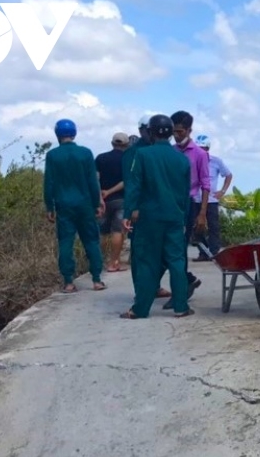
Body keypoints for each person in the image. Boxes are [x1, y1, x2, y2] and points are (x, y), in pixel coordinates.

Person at [120, 114, 193, 319]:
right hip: (174, 217)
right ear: (170, 133)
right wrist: (184, 219)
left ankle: (141, 309)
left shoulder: (142, 155)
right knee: (177, 261)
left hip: (149, 218)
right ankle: (181, 307)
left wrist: (128, 212)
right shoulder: (182, 159)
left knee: (146, 262)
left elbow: (134, 186)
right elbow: (185, 193)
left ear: (151, 132)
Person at [43, 118, 106, 293]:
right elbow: (92, 181)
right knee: (91, 241)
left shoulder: (53, 155)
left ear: (57, 135)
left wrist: (49, 207)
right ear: (74, 133)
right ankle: (97, 280)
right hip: (85, 204)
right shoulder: (85, 153)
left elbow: (49, 183)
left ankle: (69, 282)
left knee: (65, 242)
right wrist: (97, 202)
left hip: (63, 205)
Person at [168, 111, 208, 309]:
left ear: (189, 130)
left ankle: (180, 291)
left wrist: (202, 214)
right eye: (174, 131)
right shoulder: (171, 151)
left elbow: (205, 184)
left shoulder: (199, 154)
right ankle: (186, 280)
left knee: (178, 249)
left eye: (180, 131)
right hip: (171, 204)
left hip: (189, 204)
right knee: (170, 249)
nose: (177, 135)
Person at [194, 133, 232, 259]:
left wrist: (223, 190)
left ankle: (215, 252)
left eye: (203, 148)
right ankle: (203, 252)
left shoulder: (216, 161)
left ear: (207, 148)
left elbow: (228, 175)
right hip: (195, 199)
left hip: (211, 200)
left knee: (213, 227)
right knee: (197, 227)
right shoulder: (191, 161)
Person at [96, 132, 129, 273]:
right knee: (118, 231)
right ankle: (114, 262)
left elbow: (95, 178)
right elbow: (126, 181)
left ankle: (100, 262)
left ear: (112, 143)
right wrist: (110, 191)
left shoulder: (101, 158)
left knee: (102, 232)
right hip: (120, 200)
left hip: (102, 201)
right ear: (126, 145)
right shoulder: (127, 160)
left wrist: (100, 195)